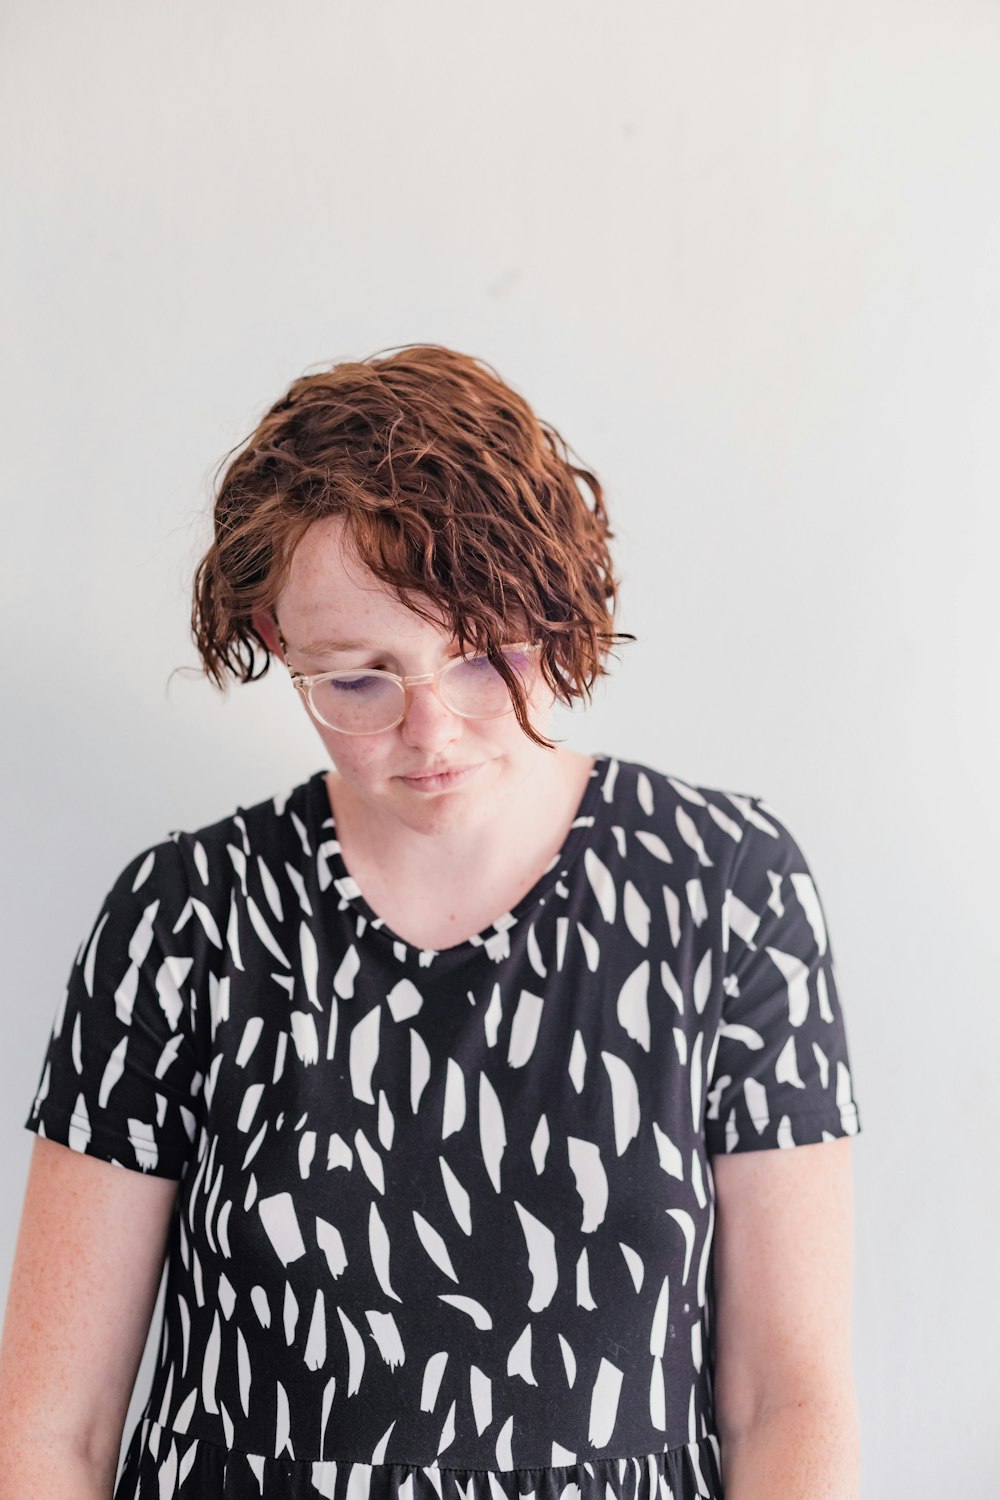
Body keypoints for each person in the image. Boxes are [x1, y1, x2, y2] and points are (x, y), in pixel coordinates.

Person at [0, 343, 863, 1499]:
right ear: (272, 633)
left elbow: (786, 1402)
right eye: (357, 679)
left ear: (560, 611)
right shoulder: (185, 919)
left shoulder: (725, 891)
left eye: (488, 660)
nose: (433, 733)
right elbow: (57, 1423)